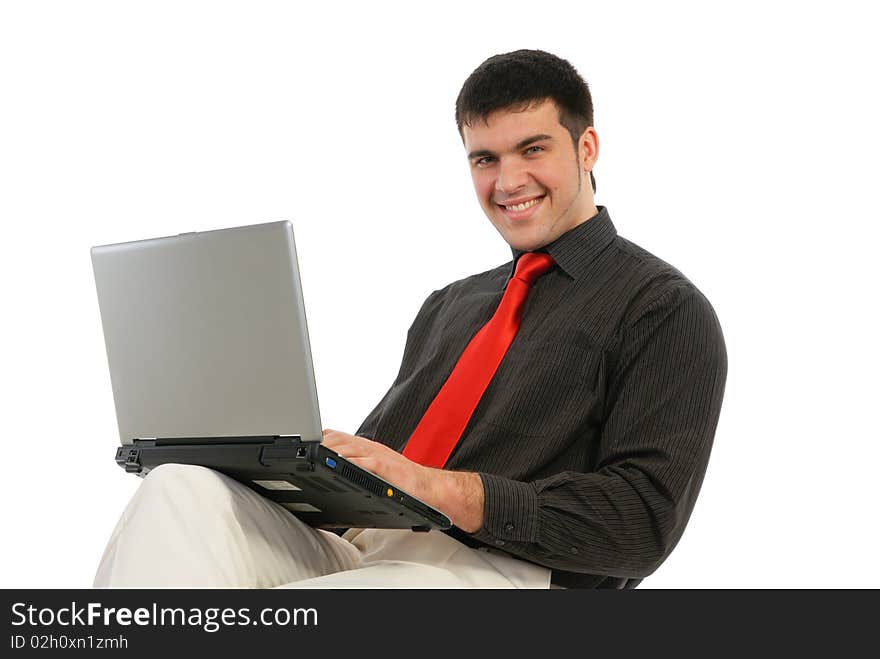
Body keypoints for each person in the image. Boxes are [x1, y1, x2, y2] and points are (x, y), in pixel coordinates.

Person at [94, 49, 727, 589]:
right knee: (181, 490)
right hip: (369, 550)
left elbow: (641, 521)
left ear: (586, 146)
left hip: (500, 571)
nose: (508, 180)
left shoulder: (662, 307)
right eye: (484, 158)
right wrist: (281, 463)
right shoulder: (451, 306)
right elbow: (383, 478)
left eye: (532, 149)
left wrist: (437, 489)